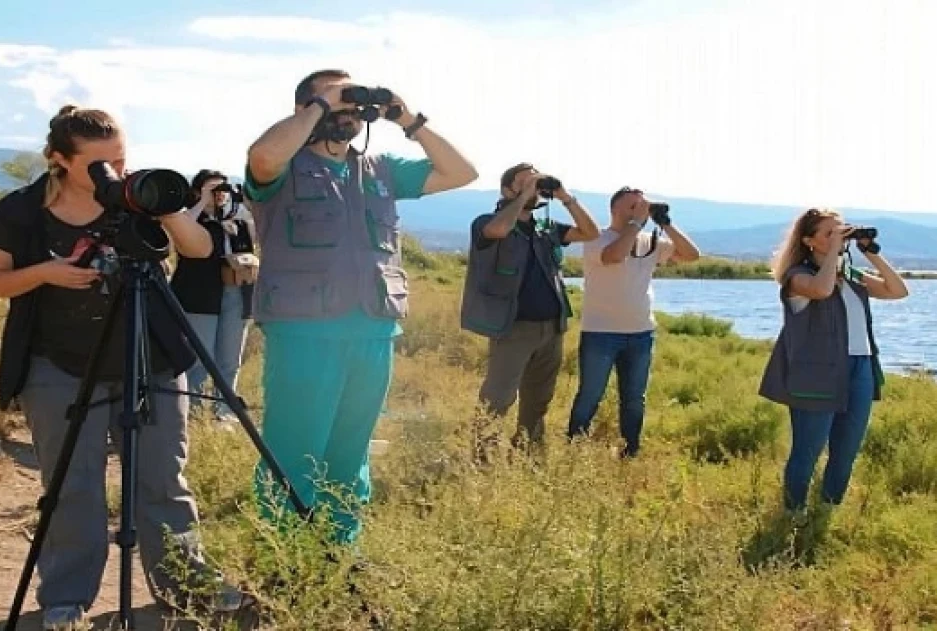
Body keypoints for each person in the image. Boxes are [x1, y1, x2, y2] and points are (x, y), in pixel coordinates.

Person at [0, 105, 249, 629]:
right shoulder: (22, 211)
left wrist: (166, 206)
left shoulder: (134, 199)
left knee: (164, 481)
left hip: (149, 361)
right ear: (58, 160)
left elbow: (199, 248)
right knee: (71, 484)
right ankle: (66, 598)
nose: (114, 174)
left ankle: (185, 586)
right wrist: (47, 273)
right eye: (99, 165)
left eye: (121, 161)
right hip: (58, 364)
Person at [243, 68, 477, 543]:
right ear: (304, 108)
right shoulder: (285, 166)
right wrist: (324, 103)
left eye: (354, 103)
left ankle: (337, 555)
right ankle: (283, 560)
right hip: (304, 332)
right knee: (294, 452)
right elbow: (262, 156)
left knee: (351, 454)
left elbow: (462, 172)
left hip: (373, 331)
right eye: (338, 101)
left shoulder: (381, 169)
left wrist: (407, 117)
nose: (349, 110)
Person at [757, 207, 910, 517]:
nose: (840, 237)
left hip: (860, 368)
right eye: (830, 233)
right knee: (808, 449)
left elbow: (898, 291)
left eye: (842, 230)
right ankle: (793, 513)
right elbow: (822, 290)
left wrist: (871, 253)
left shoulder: (850, 275)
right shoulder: (797, 276)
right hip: (816, 374)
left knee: (847, 450)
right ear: (809, 241)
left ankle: (828, 510)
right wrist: (833, 257)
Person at [460, 163, 600, 455]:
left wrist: (564, 195)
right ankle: (480, 459)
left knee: (539, 399)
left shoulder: (545, 228)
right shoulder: (486, 221)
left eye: (536, 183)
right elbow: (498, 229)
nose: (534, 187)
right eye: (524, 182)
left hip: (551, 327)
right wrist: (523, 198)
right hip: (513, 327)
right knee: (498, 398)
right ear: (506, 189)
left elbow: (590, 232)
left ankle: (529, 455)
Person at [566, 187, 702, 458]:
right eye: (632, 206)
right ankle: (573, 451)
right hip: (600, 332)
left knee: (634, 401)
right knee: (590, 396)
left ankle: (630, 453)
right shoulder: (596, 237)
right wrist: (636, 224)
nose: (638, 211)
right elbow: (614, 256)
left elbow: (691, 255)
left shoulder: (649, 240)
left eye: (642, 206)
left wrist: (665, 223)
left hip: (640, 334)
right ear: (614, 210)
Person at [170, 169, 259, 425]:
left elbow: (262, 229)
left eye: (222, 190)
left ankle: (225, 412)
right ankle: (194, 412)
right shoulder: (192, 221)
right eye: (212, 190)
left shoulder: (238, 224)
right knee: (199, 357)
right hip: (199, 297)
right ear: (198, 191)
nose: (219, 195)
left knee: (229, 358)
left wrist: (246, 202)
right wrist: (201, 201)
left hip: (236, 294)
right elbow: (180, 229)